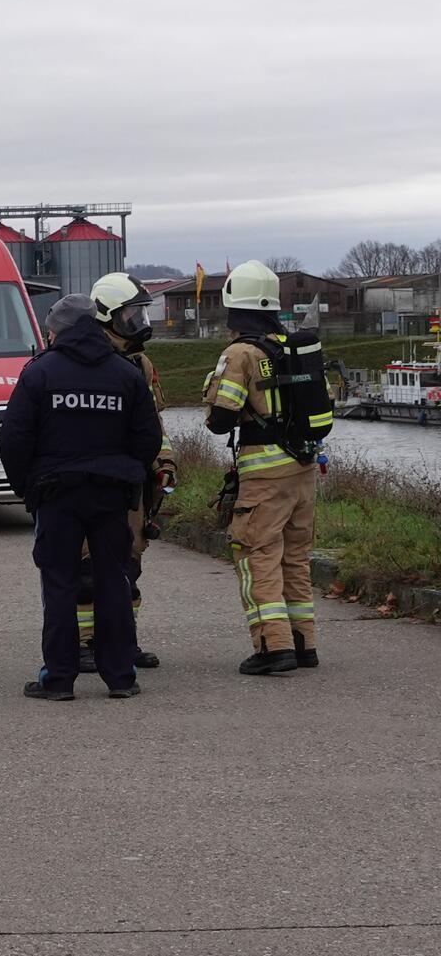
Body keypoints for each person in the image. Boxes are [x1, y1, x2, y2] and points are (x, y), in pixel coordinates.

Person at [2, 296, 161, 701]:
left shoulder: (39, 373)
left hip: (56, 495)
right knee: (114, 583)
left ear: (58, 331)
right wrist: (127, 476)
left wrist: (26, 487)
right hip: (110, 496)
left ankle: (58, 679)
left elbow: (15, 438)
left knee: (59, 585)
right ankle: (121, 677)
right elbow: (148, 438)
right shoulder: (125, 374)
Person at [204, 261, 331, 676]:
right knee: (295, 557)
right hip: (303, 471)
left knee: (256, 553)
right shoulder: (293, 348)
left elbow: (220, 419)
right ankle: (303, 643)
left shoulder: (241, 352)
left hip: (264, 475)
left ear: (231, 307)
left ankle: (272, 648)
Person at [79, 273, 172, 671]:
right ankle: (84, 644)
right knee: (85, 569)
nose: (138, 321)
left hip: (132, 481)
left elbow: (152, 424)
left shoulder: (139, 361)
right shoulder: (80, 359)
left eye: (140, 312)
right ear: (105, 316)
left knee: (128, 566)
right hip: (90, 480)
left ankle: (121, 640)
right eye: (130, 313)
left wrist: (164, 463)